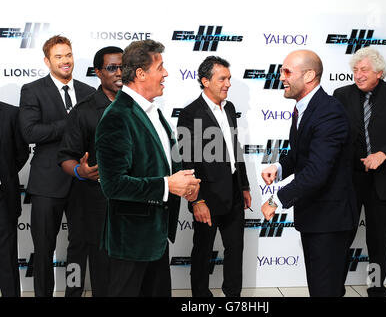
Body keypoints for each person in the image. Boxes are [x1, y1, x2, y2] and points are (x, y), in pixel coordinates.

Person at [95, 39, 200, 297]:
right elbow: (113, 184)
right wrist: (167, 185)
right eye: (160, 67)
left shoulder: (154, 112)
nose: (165, 73)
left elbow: (164, 162)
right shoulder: (117, 116)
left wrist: (184, 184)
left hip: (156, 235)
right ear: (141, 74)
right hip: (130, 239)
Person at [261, 50, 358, 297]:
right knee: (321, 287)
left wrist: (276, 200)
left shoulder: (329, 112)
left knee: (325, 290)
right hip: (316, 216)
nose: (281, 77)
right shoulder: (306, 107)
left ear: (309, 76)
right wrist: (279, 167)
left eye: (287, 71)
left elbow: (317, 171)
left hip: (330, 219)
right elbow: (300, 153)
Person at [333, 47, 386, 297]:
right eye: (355, 70)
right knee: (341, 239)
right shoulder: (341, 94)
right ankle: (335, 289)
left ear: (379, 72)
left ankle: (375, 289)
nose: (358, 75)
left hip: (384, 180)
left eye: (364, 70)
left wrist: (383, 154)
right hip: (350, 180)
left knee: (378, 243)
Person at [18, 35, 95, 297]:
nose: (65, 61)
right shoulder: (32, 90)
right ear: (47, 61)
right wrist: (71, 122)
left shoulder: (88, 92)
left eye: (68, 55)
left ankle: (73, 294)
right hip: (47, 183)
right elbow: (30, 132)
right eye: (59, 56)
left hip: (82, 181)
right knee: (43, 249)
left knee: (79, 246)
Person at [177, 56, 252, 297]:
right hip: (206, 195)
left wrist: (244, 186)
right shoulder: (190, 114)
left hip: (233, 191)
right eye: (223, 79)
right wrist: (196, 200)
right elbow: (186, 161)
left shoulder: (229, 108)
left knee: (235, 249)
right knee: (202, 250)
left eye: (229, 78)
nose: (228, 83)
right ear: (205, 81)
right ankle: (200, 297)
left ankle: (233, 296)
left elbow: (234, 148)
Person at [57, 46, 123, 296]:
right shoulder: (83, 111)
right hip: (92, 203)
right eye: (111, 68)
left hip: (130, 203)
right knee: (94, 262)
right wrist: (80, 172)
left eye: (122, 67)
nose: (118, 73)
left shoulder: (139, 107)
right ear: (98, 72)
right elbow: (65, 156)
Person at [0, 102, 29, 297]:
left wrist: (5, 176)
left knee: (7, 258)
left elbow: (22, 152)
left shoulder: (11, 113)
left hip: (2, 198)